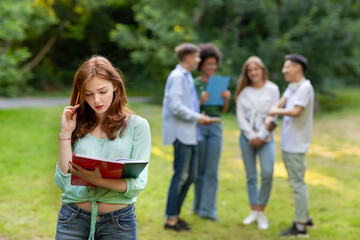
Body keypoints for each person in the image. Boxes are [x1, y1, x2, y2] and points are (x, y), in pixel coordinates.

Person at [54, 56, 151, 240]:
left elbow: (137, 184)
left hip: (118, 223)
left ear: (115, 86)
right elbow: (63, 179)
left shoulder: (138, 126)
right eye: (89, 94)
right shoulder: (77, 123)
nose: (96, 100)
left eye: (102, 91)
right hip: (72, 219)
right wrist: (65, 133)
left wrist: (98, 180)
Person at [162, 43, 210, 231]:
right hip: (181, 134)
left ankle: (175, 214)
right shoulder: (177, 77)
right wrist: (199, 118)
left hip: (191, 133)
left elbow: (186, 104)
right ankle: (170, 219)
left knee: (190, 176)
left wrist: (199, 106)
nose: (199, 60)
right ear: (188, 56)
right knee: (180, 176)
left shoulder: (187, 76)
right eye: (197, 57)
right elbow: (175, 106)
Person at [268, 54, 315, 237]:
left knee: (298, 184)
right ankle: (306, 217)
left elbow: (295, 111)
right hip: (288, 144)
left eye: (287, 67)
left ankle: (300, 226)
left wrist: (273, 111)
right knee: (296, 182)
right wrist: (271, 116)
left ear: (298, 68)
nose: (283, 70)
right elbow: (281, 103)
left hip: (296, 144)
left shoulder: (305, 87)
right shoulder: (292, 87)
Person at [235, 56, 279, 229]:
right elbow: (240, 117)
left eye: (256, 69)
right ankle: (253, 210)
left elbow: (273, 114)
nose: (253, 73)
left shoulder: (272, 89)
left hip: (266, 136)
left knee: (267, 172)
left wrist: (260, 136)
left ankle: (261, 210)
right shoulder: (243, 91)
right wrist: (250, 135)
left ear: (262, 70)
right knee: (251, 175)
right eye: (250, 70)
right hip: (246, 138)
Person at [193, 43, 231, 221]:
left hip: (216, 126)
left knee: (212, 171)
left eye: (214, 64)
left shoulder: (219, 84)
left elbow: (223, 111)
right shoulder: (194, 82)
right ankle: (198, 207)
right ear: (201, 64)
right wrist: (201, 100)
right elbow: (190, 109)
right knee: (199, 170)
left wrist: (226, 100)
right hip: (199, 126)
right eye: (209, 63)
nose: (212, 67)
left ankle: (209, 211)